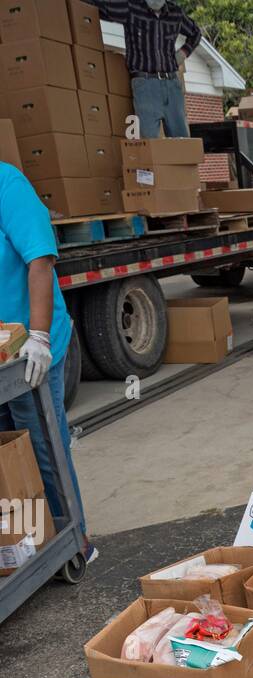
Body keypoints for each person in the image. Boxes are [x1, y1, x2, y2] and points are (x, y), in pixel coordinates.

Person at [0, 161, 94, 560]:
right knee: (8, 451)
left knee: (43, 445)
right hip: (2, 349)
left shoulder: (7, 183)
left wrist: (37, 337)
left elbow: (40, 258)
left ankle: (75, 543)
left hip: (33, 344)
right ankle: (28, 543)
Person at [94, 0, 201, 139]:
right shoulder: (131, 8)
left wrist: (183, 54)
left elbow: (196, 33)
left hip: (172, 84)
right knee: (149, 143)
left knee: (182, 142)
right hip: (145, 84)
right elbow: (100, 7)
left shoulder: (176, 14)